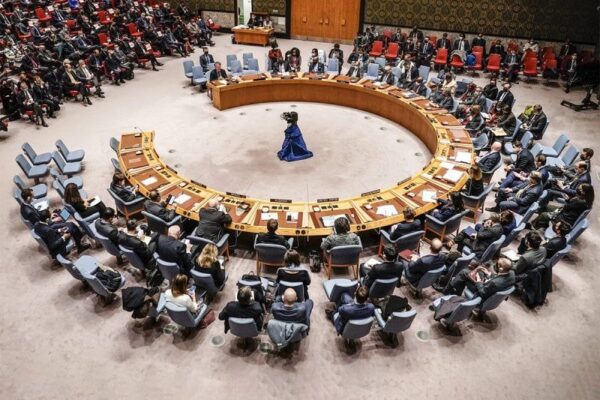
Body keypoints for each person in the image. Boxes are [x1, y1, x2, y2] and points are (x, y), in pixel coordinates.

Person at [21, 188, 89, 254]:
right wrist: (52, 220)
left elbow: (39, 218)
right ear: (28, 198)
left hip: (44, 223)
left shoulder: (24, 206)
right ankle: (79, 241)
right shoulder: (30, 213)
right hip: (48, 226)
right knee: (70, 223)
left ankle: (77, 234)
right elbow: (38, 223)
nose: (33, 198)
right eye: (32, 196)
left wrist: (51, 215)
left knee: (59, 211)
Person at [444, 257, 515, 301]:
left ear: (501, 269)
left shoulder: (495, 283)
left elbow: (482, 292)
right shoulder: (512, 274)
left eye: (497, 265)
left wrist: (478, 281)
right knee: (477, 272)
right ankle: (455, 292)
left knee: (464, 273)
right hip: (490, 286)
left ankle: (448, 290)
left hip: (481, 293)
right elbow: (499, 277)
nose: (495, 265)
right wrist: (489, 274)